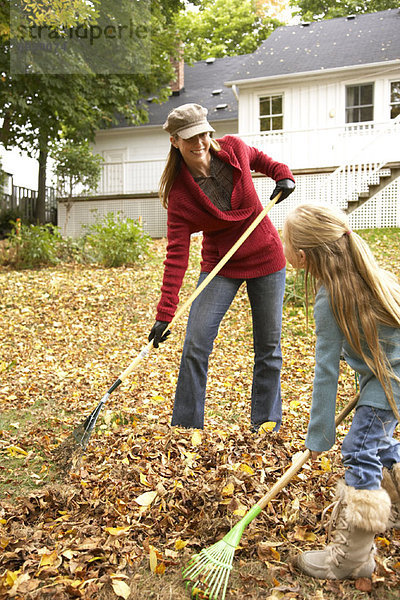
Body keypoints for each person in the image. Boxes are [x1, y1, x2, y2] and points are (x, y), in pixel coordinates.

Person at [148, 103, 295, 432]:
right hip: (221, 266)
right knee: (195, 343)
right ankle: (186, 429)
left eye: (203, 134)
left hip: (267, 258)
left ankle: (266, 424)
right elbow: (176, 256)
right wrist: (165, 313)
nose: (199, 142)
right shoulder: (180, 195)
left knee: (268, 348)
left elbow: (264, 161)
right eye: (190, 138)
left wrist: (282, 175)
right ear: (175, 141)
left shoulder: (234, 149)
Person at [282, 203, 400, 580]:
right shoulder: (373, 276)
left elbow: (325, 373)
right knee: (383, 447)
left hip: (389, 387)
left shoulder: (331, 299)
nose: (281, 244)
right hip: (388, 383)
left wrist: (319, 436)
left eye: (284, 240)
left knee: (360, 450)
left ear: (302, 256)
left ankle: (352, 559)